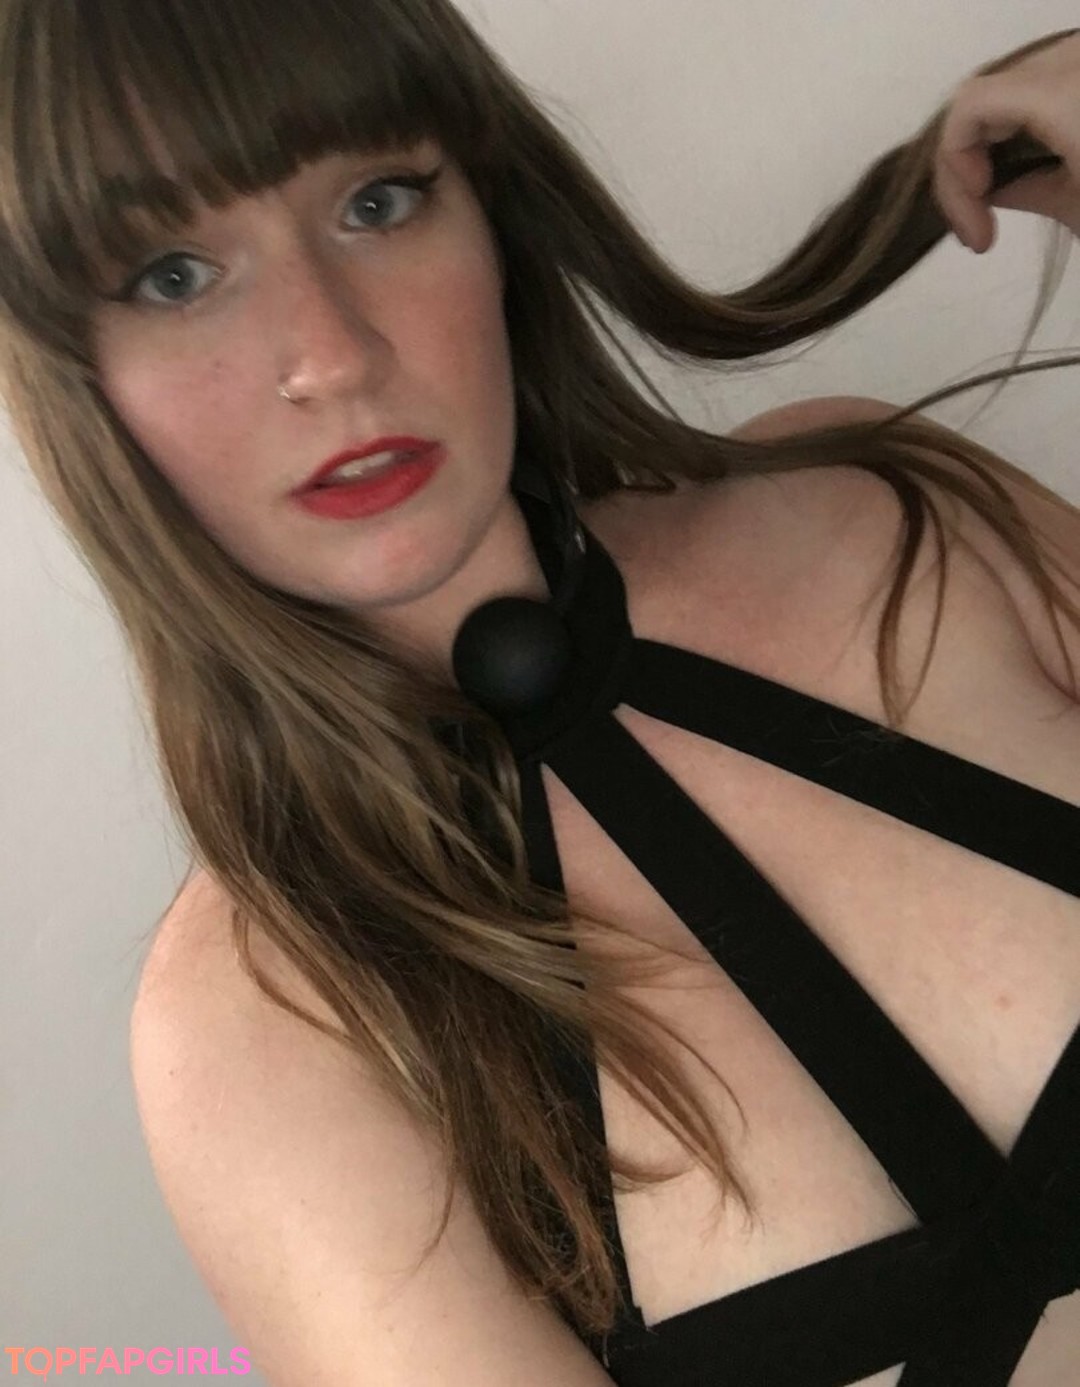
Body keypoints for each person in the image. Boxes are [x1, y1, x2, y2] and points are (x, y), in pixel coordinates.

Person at [2, 2, 1080, 1383]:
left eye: (379, 202)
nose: (332, 352)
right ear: (75, 379)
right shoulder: (265, 1022)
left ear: (493, 211)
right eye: (171, 275)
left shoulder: (892, 518)